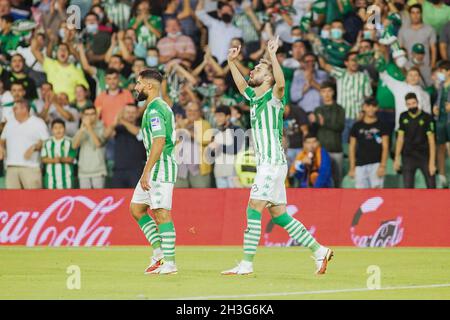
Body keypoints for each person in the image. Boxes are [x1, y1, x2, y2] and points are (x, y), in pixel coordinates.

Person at [222, 37, 333, 276]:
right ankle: (320, 250)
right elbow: (242, 87)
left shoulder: (274, 97)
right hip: (271, 164)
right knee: (280, 216)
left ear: (269, 78)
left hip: (271, 163)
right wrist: (232, 62)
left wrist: (272, 56)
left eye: (258, 69)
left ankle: (247, 264)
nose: (252, 70)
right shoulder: (254, 97)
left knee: (253, 208)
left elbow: (281, 83)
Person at [129, 69, 178, 275]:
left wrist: (146, 171)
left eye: (139, 83)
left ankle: (170, 263)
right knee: (137, 209)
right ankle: (159, 255)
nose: (136, 87)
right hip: (155, 164)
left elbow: (159, 141)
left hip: (160, 166)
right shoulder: (156, 107)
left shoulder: (156, 109)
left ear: (149, 86)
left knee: (161, 213)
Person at [320, 51, 373, 143]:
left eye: (357, 60)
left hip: (357, 117)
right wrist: (318, 49)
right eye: (352, 60)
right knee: (342, 143)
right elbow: (324, 65)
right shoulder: (341, 73)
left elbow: (368, 98)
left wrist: (364, 112)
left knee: (356, 145)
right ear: (346, 63)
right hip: (341, 118)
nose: (355, 62)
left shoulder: (364, 77)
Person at [0, 99, 49, 189]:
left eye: (15, 108)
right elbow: (2, 139)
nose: (13, 111)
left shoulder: (38, 123)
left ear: (24, 109)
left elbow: (47, 142)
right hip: (11, 167)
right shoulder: (10, 123)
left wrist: (35, 147)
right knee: (12, 199)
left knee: (33, 199)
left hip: (31, 167)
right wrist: (1, 147)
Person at [394, 92, 436, 188]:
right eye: (409, 104)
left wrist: (432, 162)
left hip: (424, 155)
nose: (412, 106)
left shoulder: (427, 117)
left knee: (432, 186)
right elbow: (400, 139)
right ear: (406, 105)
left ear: (418, 102)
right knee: (408, 187)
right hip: (408, 156)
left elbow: (431, 141)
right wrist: (397, 158)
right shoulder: (403, 116)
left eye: (414, 103)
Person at [310, 81, 345, 187]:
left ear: (333, 92)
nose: (326, 94)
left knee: (337, 180)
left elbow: (340, 127)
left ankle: (339, 203)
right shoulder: (317, 110)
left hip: (336, 149)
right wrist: (313, 123)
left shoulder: (339, 109)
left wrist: (323, 123)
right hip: (321, 151)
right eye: (323, 91)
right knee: (321, 180)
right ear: (320, 93)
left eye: (329, 91)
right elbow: (314, 131)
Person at [349, 98, 389, 189]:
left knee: (377, 195)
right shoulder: (356, 126)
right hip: (359, 165)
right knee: (360, 196)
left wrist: (383, 166)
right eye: (368, 106)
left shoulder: (382, 125)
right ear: (364, 107)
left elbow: (385, 147)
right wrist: (352, 167)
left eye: (373, 106)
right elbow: (351, 147)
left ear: (377, 108)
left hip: (376, 164)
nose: (370, 109)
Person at [104, 104, 147, 188]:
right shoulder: (118, 128)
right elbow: (105, 135)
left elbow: (138, 133)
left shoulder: (143, 124)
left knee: (136, 197)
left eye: (133, 112)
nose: (130, 115)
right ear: (123, 113)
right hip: (118, 170)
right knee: (118, 197)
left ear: (137, 113)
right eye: (128, 112)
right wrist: (114, 123)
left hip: (136, 170)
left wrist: (122, 121)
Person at [207, 105, 243, 188]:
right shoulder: (215, 132)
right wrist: (210, 149)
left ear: (228, 116)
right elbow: (211, 155)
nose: (217, 118)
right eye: (216, 116)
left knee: (234, 199)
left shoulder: (237, 129)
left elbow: (235, 149)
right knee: (221, 200)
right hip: (219, 172)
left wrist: (219, 146)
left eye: (220, 116)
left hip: (233, 173)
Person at [72, 106, 107, 189]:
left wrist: (89, 128)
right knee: (85, 198)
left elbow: (98, 144)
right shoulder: (81, 128)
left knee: (99, 198)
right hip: (83, 171)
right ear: (83, 116)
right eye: (87, 114)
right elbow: (74, 146)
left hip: (98, 171)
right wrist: (81, 130)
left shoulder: (102, 127)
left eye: (92, 114)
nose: (89, 117)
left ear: (96, 115)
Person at [41, 119, 76, 189]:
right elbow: (43, 159)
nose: (58, 130)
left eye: (60, 127)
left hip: (67, 178)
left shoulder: (70, 142)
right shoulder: (47, 142)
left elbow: (71, 159)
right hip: (51, 179)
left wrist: (60, 159)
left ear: (65, 129)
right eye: (55, 128)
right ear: (51, 130)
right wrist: (54, 160)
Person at [432, 61, 450, 188]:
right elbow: (437, 100)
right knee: (440, 147)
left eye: (442, 71)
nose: (440, 74)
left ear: (448, 72)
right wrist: (435, 108)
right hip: (440, 120)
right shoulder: (440, 86)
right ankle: (442, 177)